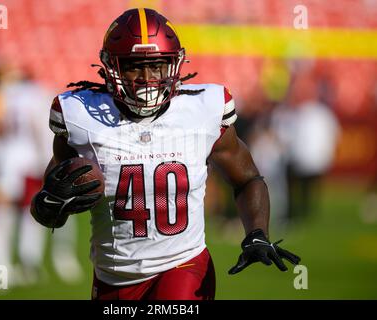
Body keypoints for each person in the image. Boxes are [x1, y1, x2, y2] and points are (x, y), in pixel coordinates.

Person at [30, 8, 301, 300]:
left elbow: (247, 179)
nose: (147, 78)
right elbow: (49, 207)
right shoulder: (80, 117)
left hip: (183, 266)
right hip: (113, 275)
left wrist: (256, 233)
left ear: (175, 65)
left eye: (157, 65)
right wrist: (49, 204)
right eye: (135, 66)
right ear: (112, 67)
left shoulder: (202, 110)